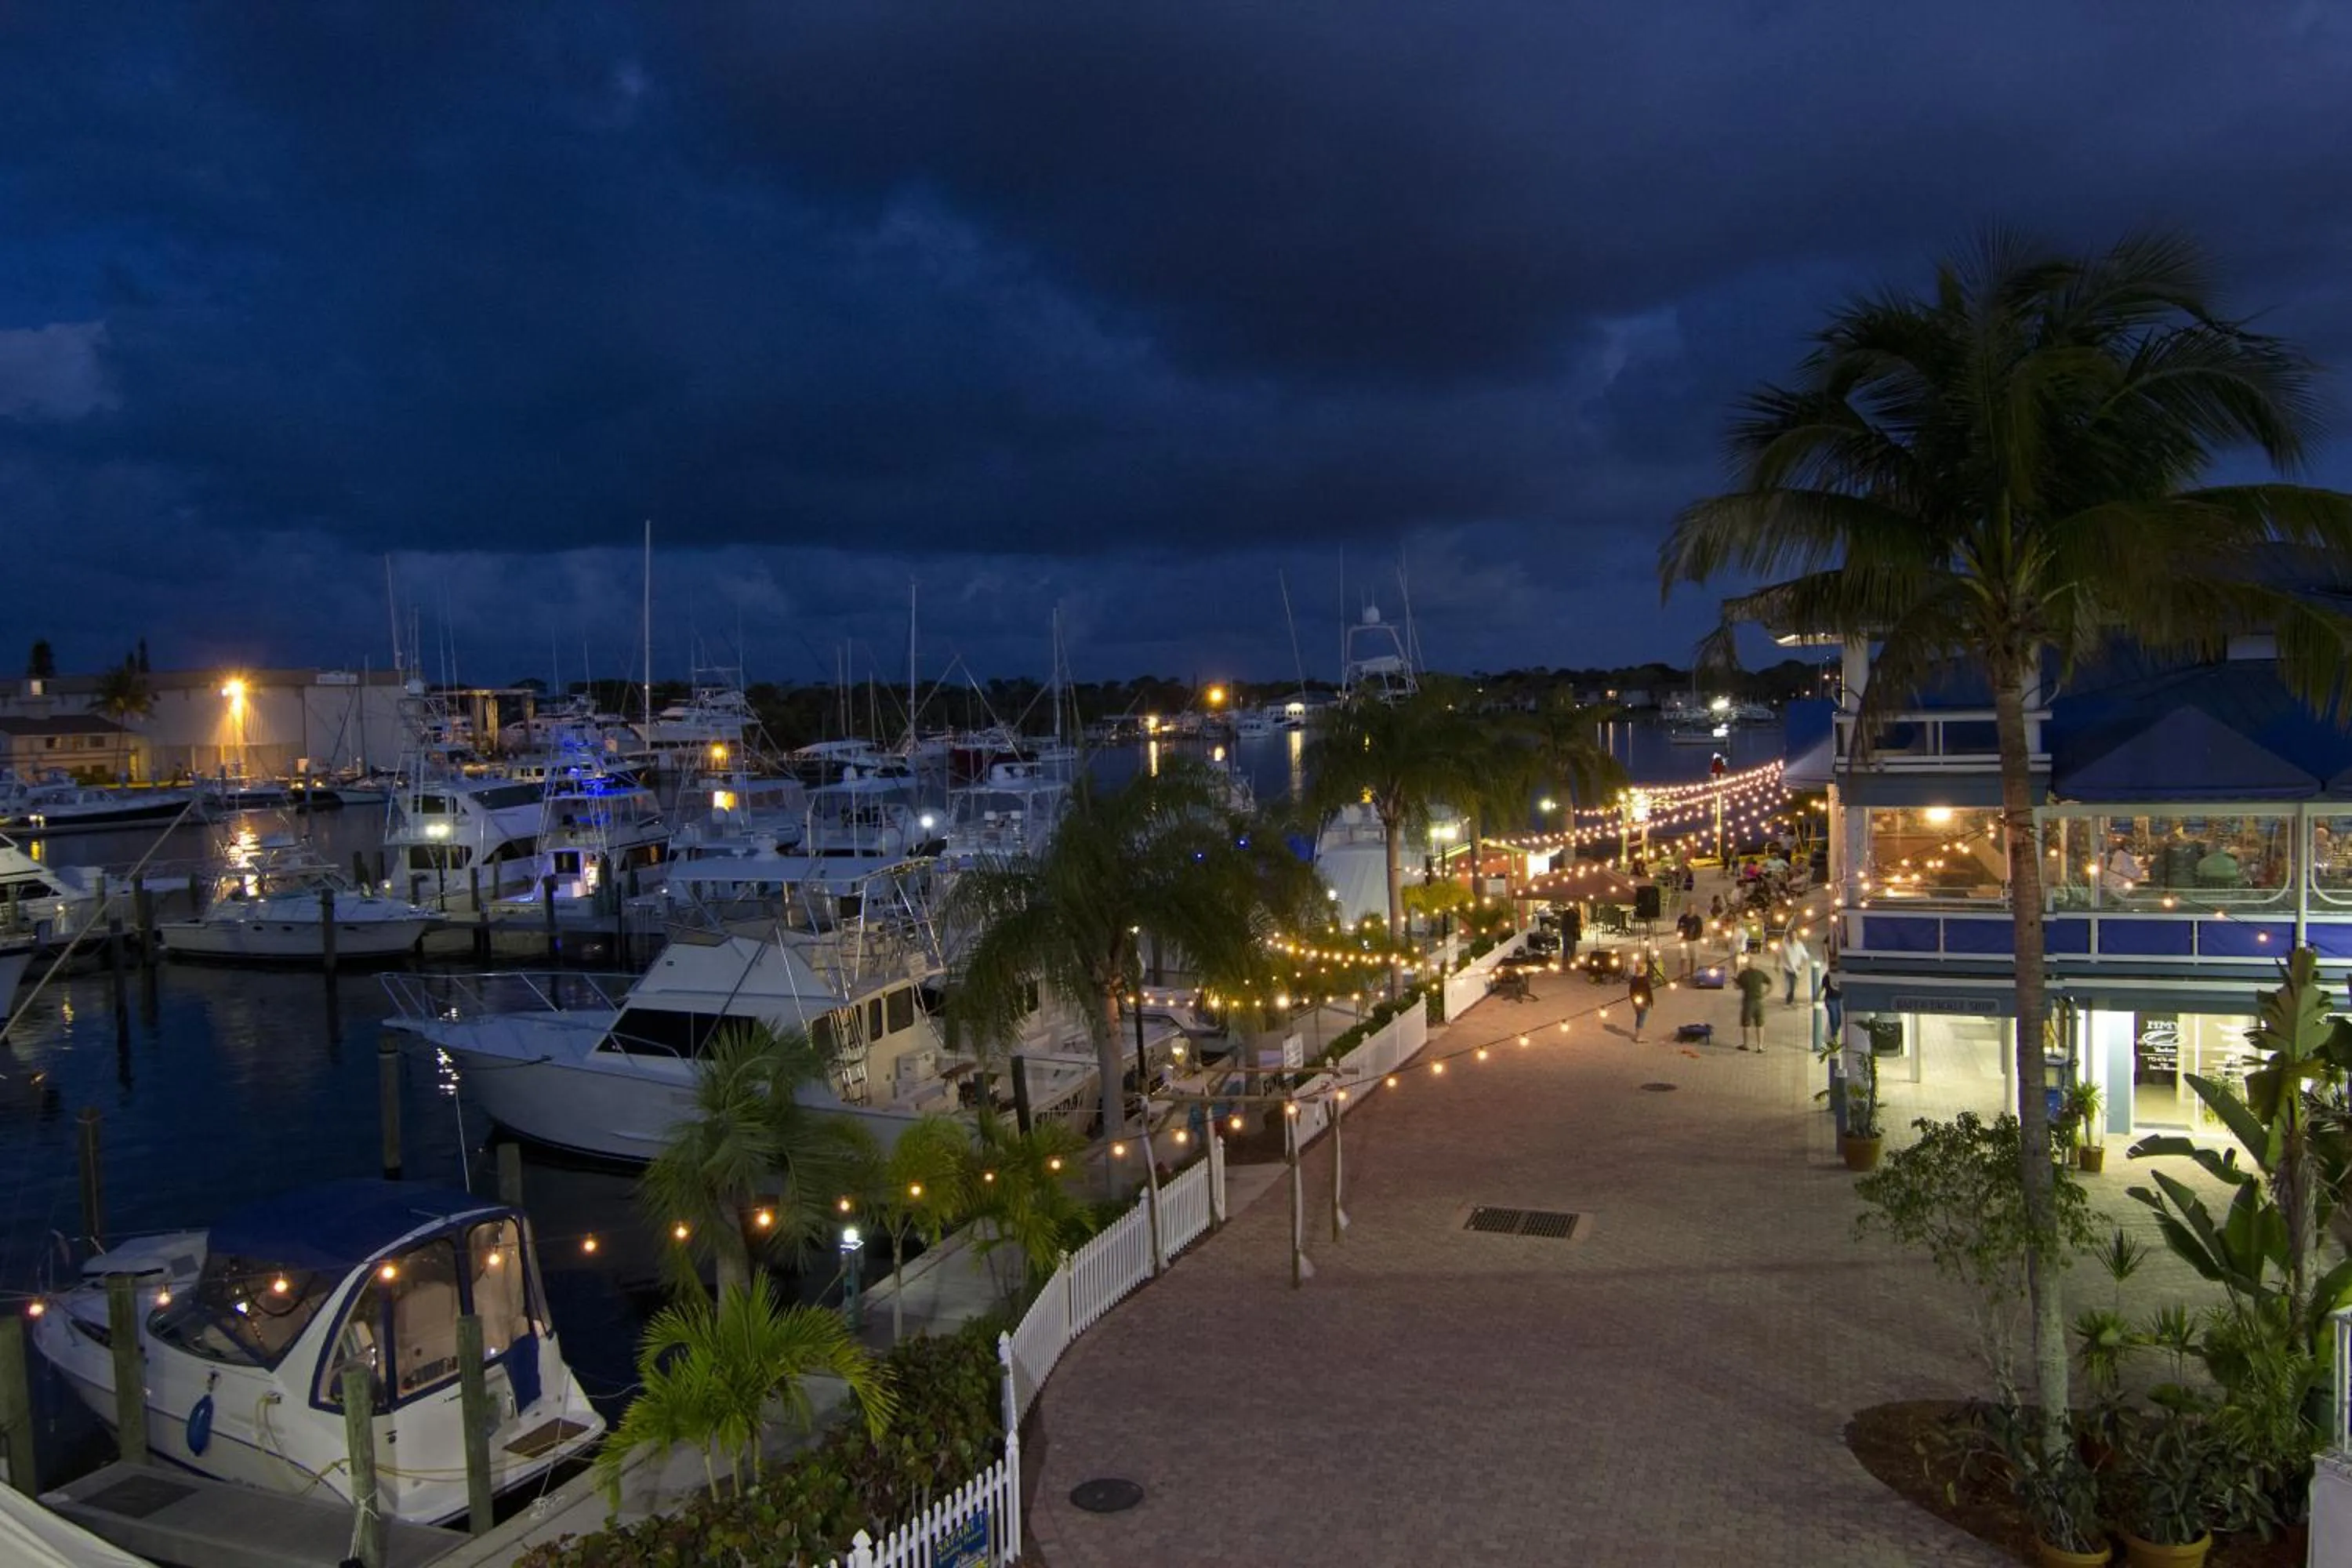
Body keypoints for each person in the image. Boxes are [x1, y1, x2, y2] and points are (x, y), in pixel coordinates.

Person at [1734, 959, 1773, 1051]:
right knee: (1760, 1024)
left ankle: (1745, 1045)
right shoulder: (1760, 973)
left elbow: (1736, 987)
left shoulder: (1743, 974)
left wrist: (1737, 980)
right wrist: (1766, 994)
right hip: (1759, 1002)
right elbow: (1770, 983)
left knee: (1746, 1024)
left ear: (1747, 965)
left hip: (1748, 1002)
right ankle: (1760, 1046)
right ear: (1756, 965)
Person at [1778, 930, 1812, 1007]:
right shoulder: (1784, 946)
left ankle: (1790, 998)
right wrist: (1776, 965)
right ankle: (1789, 1001)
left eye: (1794, 935)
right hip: (1787, 968)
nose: (1793, 937)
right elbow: (1778, 954)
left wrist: (1802, 965)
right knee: (1789, 985)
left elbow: (1806, 956)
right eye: (1791, 936)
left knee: (1793, 985)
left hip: (1796, 969)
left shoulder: (1800, 945)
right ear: (1788, 937)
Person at [1628, 964, 1654, 1043]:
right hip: (1644, 1002)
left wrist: (1633, 1002)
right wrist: (1651, 1001)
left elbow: (1631, 992)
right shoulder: (1644, 980)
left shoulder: (1634, 980)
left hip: (1637, 1002)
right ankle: (1638, 1036)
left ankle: (1637, 1035)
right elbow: (1649, 992)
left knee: (1639, 1017)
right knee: (1641, 1018)